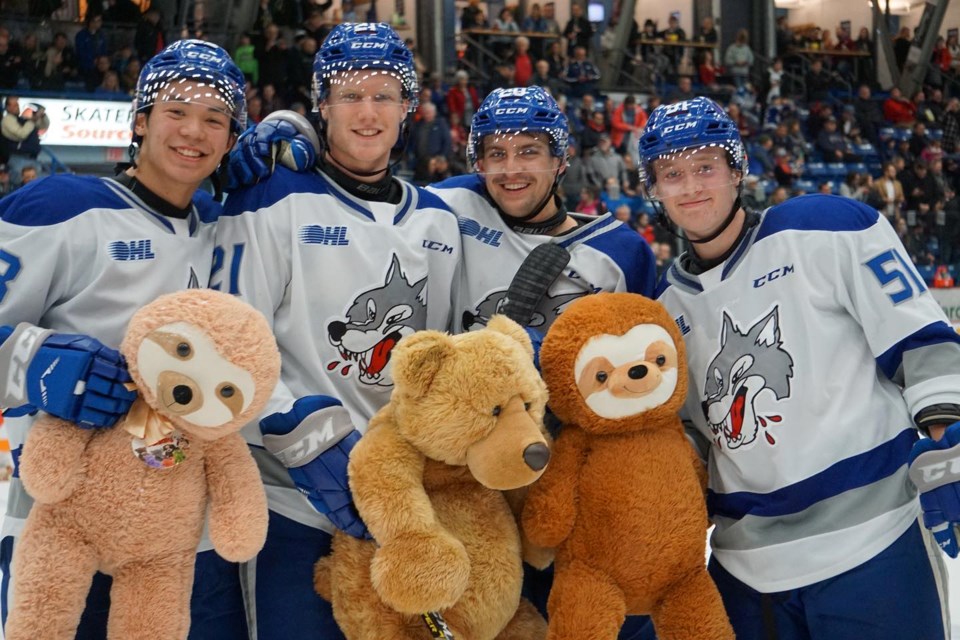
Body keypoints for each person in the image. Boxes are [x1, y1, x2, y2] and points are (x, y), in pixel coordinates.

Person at [226, 83, 659, 638]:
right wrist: (292, 129)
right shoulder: (449, 206)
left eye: (530, 151)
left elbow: (654, 372)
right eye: (495, 154)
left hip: (557, 476)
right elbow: (364, 180)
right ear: (475, 160)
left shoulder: (621, 253)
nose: (511, 170)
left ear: (561, 158)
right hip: (465, 482)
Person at [637, 96, 960, 640]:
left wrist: (950, 441)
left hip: (875, 537)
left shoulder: (825, 229)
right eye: (672, 174)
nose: (691, 185)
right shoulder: (663, 310)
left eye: (705, 167)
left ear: (737, 170)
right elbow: (692, 434)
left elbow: (920, 341)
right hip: (746, 567)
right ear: (654, 191)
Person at [215, 23, 462, 640]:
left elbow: (441, 362)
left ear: (408, 109)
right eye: (349, 94)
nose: (367, 111)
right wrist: (299, 439)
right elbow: (228, 345)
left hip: (398, 503)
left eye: (384, 95)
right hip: (288, 500)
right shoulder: (270, 197)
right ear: (321, 104)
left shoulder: (438, 220)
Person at [0, 39, 247, 638]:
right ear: (140, 122)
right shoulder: (61, 206)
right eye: (176, 112)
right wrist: (30, 361)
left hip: (174, 526)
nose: (195, 131)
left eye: (215, 118)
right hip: (61, 511)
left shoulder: (227, 228)